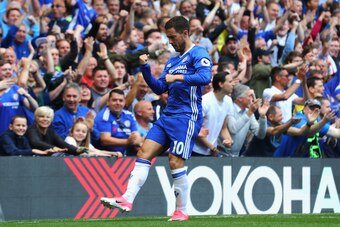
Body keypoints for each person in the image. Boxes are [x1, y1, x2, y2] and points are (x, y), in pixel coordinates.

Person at [100, 16, 212, 221]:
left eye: (172, 37)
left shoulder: (199, 53)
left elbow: (206, 78)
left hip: (186, 116)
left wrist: (178, 77)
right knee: (143, 152)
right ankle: (126, 199)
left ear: (185, 33)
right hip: (168, 115)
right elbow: (160, 87)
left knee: (175, 161)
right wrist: (145, 70)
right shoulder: (172, 60)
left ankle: (182, 210)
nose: (170, 41)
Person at [193, 71, 235, 156]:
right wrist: (212, 147)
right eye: (230, 82)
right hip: (195, 151)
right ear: (221, 84)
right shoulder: (204, 101)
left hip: (211, 151)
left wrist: (228, 140)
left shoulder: (228, 101)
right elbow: (195, 129)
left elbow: (223, 128)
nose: (233, 84)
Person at [94, 89, 142, 156]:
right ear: (108, 102)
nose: (118, 103)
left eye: (121, 100)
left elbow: (136, 137)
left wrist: (136, 140)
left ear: (124, 102)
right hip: (107, 156)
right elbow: (105, 140)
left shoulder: (129, 115)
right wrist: (127, 142)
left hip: (127, 155)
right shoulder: (104, 116)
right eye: (114, 100)